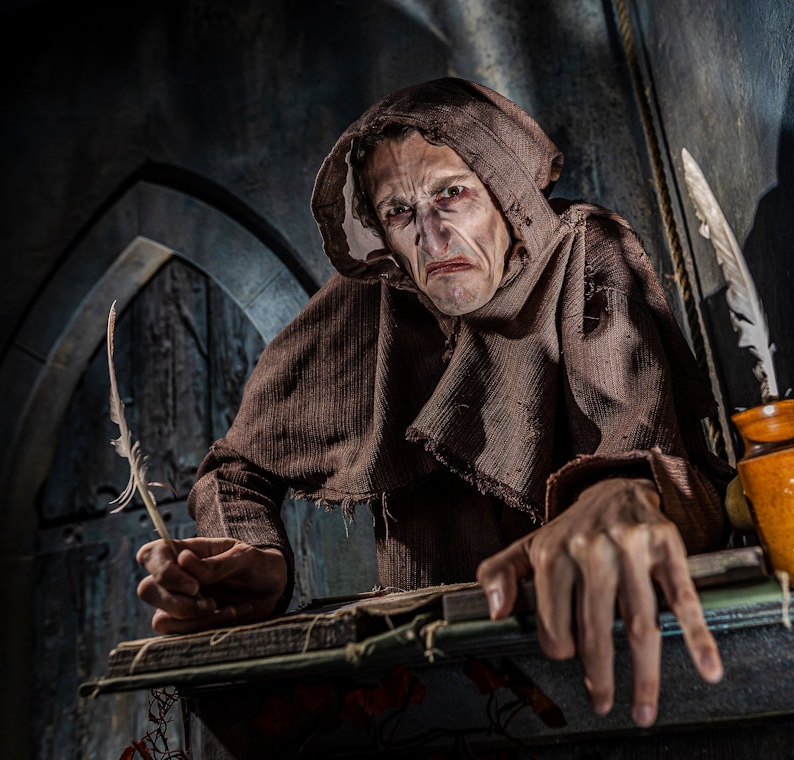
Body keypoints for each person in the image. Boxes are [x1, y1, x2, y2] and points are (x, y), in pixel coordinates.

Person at [136, 77, 734, 728]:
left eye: (452, 194)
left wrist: (626, 491)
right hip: (441, 692)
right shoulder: (375, 302)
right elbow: (233, 467)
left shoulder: (581, 254)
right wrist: (258, 557)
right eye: (398, 212)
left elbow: (640, 443)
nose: (430, 235)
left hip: (614, 667)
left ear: (505, 191)